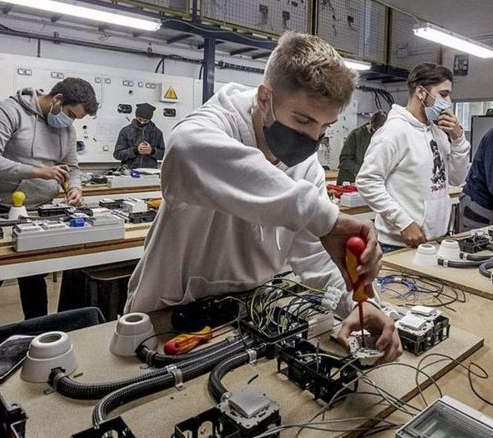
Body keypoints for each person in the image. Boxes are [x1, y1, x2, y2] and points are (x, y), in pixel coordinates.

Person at [125, 32, 402, 363]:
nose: (313, 137)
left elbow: (313, 252)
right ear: (264, 97)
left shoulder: (305, 166)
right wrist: (325, 217)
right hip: (167, 319)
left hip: (245, 316)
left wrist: (359, 303)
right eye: (303, 119)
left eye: (325, 127)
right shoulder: (219, 123)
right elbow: (184, 151)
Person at [0, 78, 99, 332]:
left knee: (34, 280)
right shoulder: (6, 112)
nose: (70, 122)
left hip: (38, 213)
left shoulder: (66, 129)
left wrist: (75, 187)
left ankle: (38, 340)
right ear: (57, 99)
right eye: (70, 114)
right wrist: (36, 172)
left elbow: (72, 166)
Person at [357, 63, 470, 252]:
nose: (448, 101)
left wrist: (459, 139)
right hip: (398, 244)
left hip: (435, 240)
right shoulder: (393, 132)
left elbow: (457, 179)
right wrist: (403, 222)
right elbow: (367, 181)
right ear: (421, 92)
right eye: (443, 94)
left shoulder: (439, 133)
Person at [336, 111, 387, 185]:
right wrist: (363, 170)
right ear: (371, 124)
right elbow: (344, 160)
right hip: (349, 180)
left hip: (367, 180)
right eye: (376, 131)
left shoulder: (381, 138)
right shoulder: (356, 135)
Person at [113, 103, 165, 169]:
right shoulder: (126, 131)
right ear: (136, 116)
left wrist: (152, 151)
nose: (142, 122)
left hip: (150, 174)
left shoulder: (157, 132)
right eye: (140, 119)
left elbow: (164, 155)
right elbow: (117, 154)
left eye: (145, 120)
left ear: (149, 119)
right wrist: (135, 151)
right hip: (130, 172)